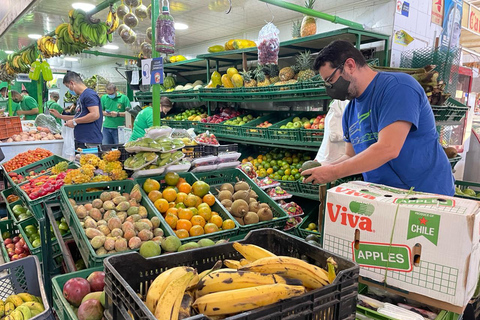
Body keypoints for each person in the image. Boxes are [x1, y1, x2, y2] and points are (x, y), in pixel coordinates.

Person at [302, 40, 454, 196]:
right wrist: (326, 167)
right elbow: (350, 155)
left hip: (426, 196)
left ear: (349, 65)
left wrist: (333, 172)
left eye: (330, 80)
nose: (330, 88)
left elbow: (388, 148)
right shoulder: (350, 110)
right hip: (383, 196)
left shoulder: (398, 87)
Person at [49, 71, 102, 148]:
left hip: (90, 141)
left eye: (68, 87)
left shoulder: (89, 94)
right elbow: (79, 116)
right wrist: (60, 116)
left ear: (72, 83)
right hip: (82, 139)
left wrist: (74, 122)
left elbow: (95, 115)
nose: (69, 90)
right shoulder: (81, 96)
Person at [315, 100, 348, 164]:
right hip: (335, 161)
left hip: (339, 160)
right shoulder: (337, 103)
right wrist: (319, 158)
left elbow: (334, 136)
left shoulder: (344, 104)